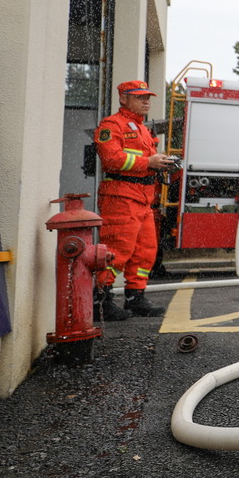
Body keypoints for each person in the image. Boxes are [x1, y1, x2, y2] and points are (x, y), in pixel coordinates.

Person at [93, 80, 176, 321]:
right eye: (140, 97)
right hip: (120, 196)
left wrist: (160, 163)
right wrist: (148, 162)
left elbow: (141, 159)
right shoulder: (111, 125)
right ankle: (101, 300)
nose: (146, 101)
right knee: (118, 250)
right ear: (123, 98)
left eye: (147, 97)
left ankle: (135, 297)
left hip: (142, 197)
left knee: (145, 251)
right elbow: (111, 159)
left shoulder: (141, 128)